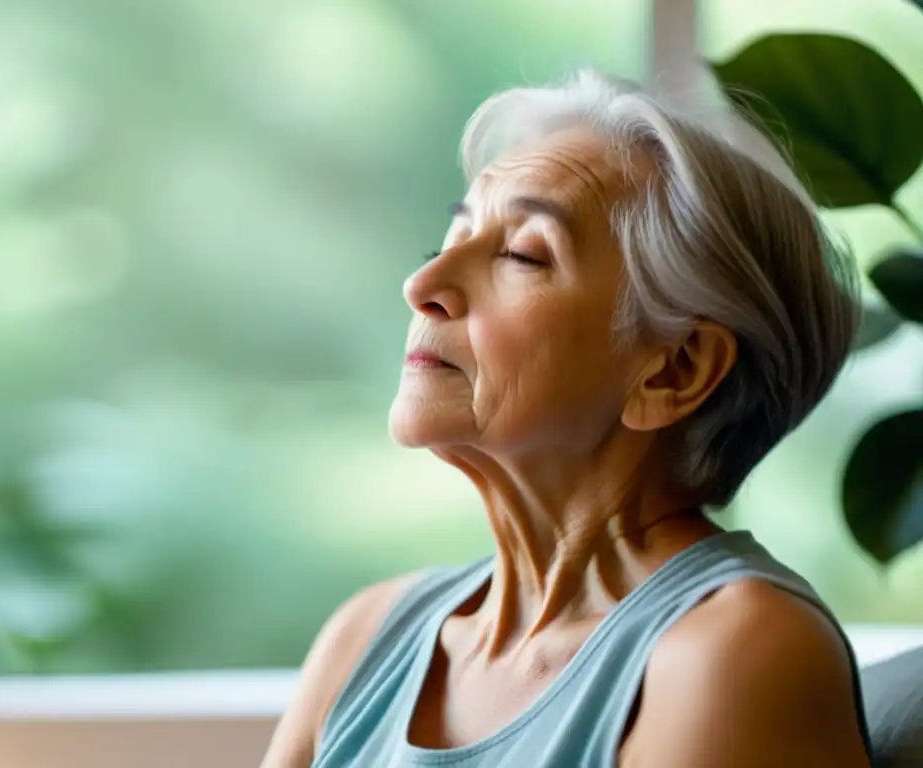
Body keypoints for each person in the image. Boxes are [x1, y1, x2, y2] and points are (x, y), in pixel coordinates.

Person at [261, 69, 874, 767]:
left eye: (523, 254)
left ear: (675, 370)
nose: (422, 284)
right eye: (447, 243)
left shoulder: (735, 653)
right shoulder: (366, 635)